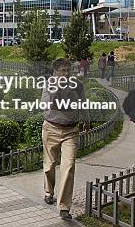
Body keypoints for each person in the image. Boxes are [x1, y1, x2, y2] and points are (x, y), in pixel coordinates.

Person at [41, 59, 89, 220]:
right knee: (50, 165)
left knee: (68, 166)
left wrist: (86, 119)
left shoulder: (78, 85)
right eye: (63, 70)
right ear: (55, 72)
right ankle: (49, 191)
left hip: (71, 130)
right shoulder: (48, 84)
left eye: (68, 70)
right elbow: (46, 105)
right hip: (51, 129)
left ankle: (63, 207)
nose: (66, 73)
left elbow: (83, 103)